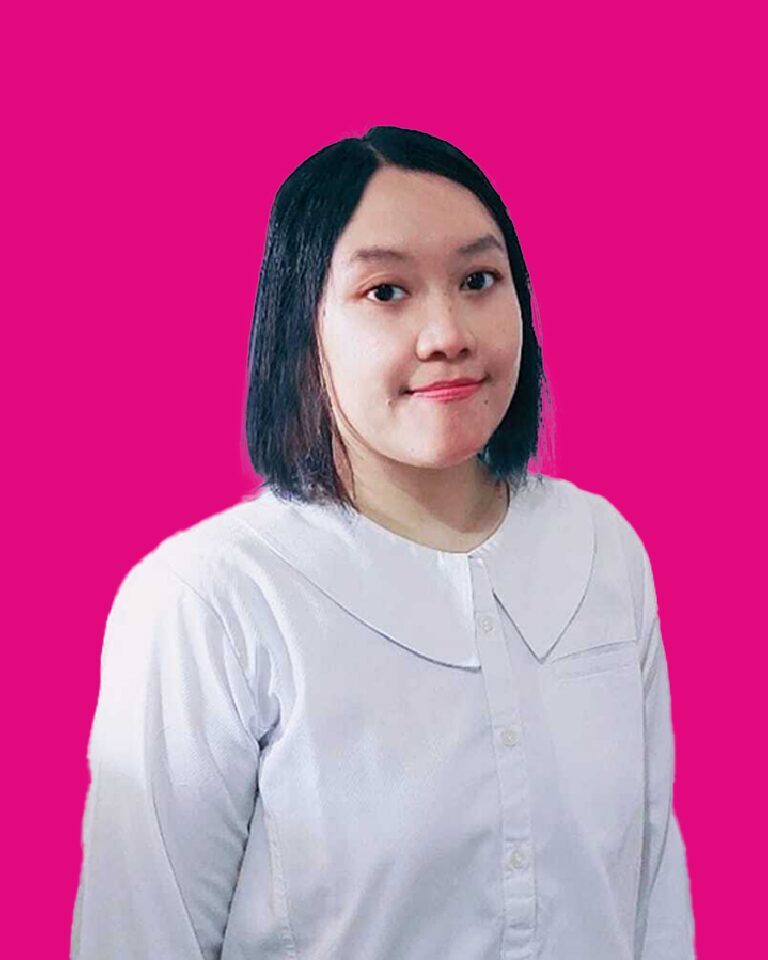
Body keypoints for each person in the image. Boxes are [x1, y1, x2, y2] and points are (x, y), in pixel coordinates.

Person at [70, 125, 696, 959]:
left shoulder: (601, 552)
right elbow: (138, 935)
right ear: (303, 328)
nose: (447, 334)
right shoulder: (212, 600)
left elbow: (654, 899)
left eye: (478, 280)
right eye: (386, 291)